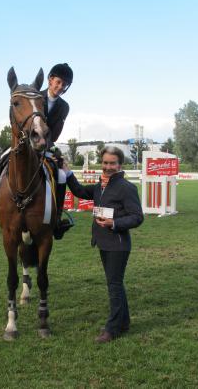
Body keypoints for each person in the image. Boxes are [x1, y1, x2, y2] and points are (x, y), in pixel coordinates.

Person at [0, 63, 74, 238]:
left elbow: (56, 131)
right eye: (58, 82)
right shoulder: (34, 95)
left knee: (60, 176)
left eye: (64, 85)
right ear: (50, 79)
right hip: (22, 144)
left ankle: (58, 217)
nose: (60, 87)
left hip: (45, 146)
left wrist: (44, 142)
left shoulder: (64, 107)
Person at [62, 146, 144, 343]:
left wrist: (115, 223)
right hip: (103, 242)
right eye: (105, 163)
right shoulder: (101, 185)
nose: (108, 167)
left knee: (114, 286)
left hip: (118, 244)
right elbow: (80, 191)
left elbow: (137, 217)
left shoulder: (126, 188)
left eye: (112, 163)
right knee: (116, 284)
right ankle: (123, 322)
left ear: (119, 165)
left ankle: (113, 328)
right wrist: (67, 172)